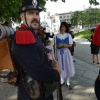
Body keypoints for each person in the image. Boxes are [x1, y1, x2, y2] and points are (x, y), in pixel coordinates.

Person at [11, 0, 60, 100]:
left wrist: (50, 62)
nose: (35, 17)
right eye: (30, 13)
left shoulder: (32, 33)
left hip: (41, 91)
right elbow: (37, 70)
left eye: (37, 13)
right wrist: (56, 73)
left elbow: (38, 55)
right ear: (22, 17)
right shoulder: (22, 37)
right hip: (32, 94)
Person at [54, 22, 75, 90]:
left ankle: (68, 82)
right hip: (59, 52)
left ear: (66, 28)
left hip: (66, 52)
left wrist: (66, 45)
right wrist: (58, 45)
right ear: (60, 27)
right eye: (62, 27)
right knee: (60, 66)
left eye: (64, 27)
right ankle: (62, 80)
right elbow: (55, 45)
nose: (63, 28)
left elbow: (71, 45)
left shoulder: (68, 35)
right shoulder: (56, 35)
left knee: (67, 66)